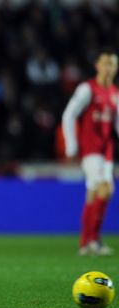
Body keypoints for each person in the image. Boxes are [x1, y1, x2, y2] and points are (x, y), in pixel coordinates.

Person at [62, 50, 118, 256]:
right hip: (91, 148)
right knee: (105, 189)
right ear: (97, 66)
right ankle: (92, 241)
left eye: (112, 64)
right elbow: (69, 114)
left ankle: (87, 242)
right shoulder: (87, 88)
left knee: (96, 193)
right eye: (105, 63)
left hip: (107, 149)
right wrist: (71, 145)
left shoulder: (114, 92)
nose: (109, 67)